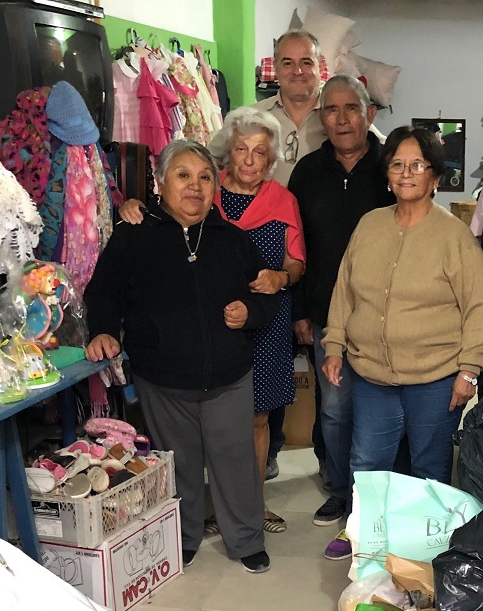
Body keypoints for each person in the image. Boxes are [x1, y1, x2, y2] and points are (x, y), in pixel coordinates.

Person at [85, 139, 275, 573]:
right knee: (179, 463)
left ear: (215, 188)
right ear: (160, 183)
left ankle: (246, 539)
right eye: (183, 176)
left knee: (235, 461)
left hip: (228, 376)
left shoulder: (233, 240)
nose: (195, 186)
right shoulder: (133, 236)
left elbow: (267, 295)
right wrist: (102, 331)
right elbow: (104, 292)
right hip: (163, 378)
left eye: (205, 177)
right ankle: (183, 537)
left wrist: (250, 312)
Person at [120, 106, 303, 535]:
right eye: (241, 149)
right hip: (209, 326)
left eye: (260, 152)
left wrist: (279, 277)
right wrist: (132, 205)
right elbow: (166, 215)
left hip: (263, 318)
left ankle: (250, 506)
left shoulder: (283, 200)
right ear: (227, 154)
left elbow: (296, 262)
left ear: (271, 159)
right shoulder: (207, 191)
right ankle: (206, 508)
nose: (250, 160)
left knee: (254, 420)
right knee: (204, 425)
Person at [323, 126, 483, 505]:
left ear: (435, 177)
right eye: (398, 165)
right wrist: (334, 345)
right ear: (387, 176)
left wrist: (469, 370)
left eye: (418, 165)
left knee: (429, 469)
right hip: (372, 377)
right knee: (366, 465)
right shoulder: (369, 225)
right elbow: (344, 291)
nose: (406, 173)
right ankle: (365, 534)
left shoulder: (455, 237)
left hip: (435, 378)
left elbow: (477, 308)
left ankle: (425, 539)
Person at [288, 74, 393, 560]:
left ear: (369, 113)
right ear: (321, 117)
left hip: (384, 316)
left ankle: (379, 492)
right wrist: (301, 311)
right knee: (333, 408)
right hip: (326, 314)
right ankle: (340, 487)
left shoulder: (390, 167)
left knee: (381, 407)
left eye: (352, 108)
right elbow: (296, 248)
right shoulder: (307, 172)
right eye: (332, 109)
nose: (343, 118)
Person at [253, 30, 324, 188]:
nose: (297, 71)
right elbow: (211, 164)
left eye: (306, 62)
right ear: (275, 68)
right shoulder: (250, 118)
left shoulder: (340, 120)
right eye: (287, 63)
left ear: (321, 66)